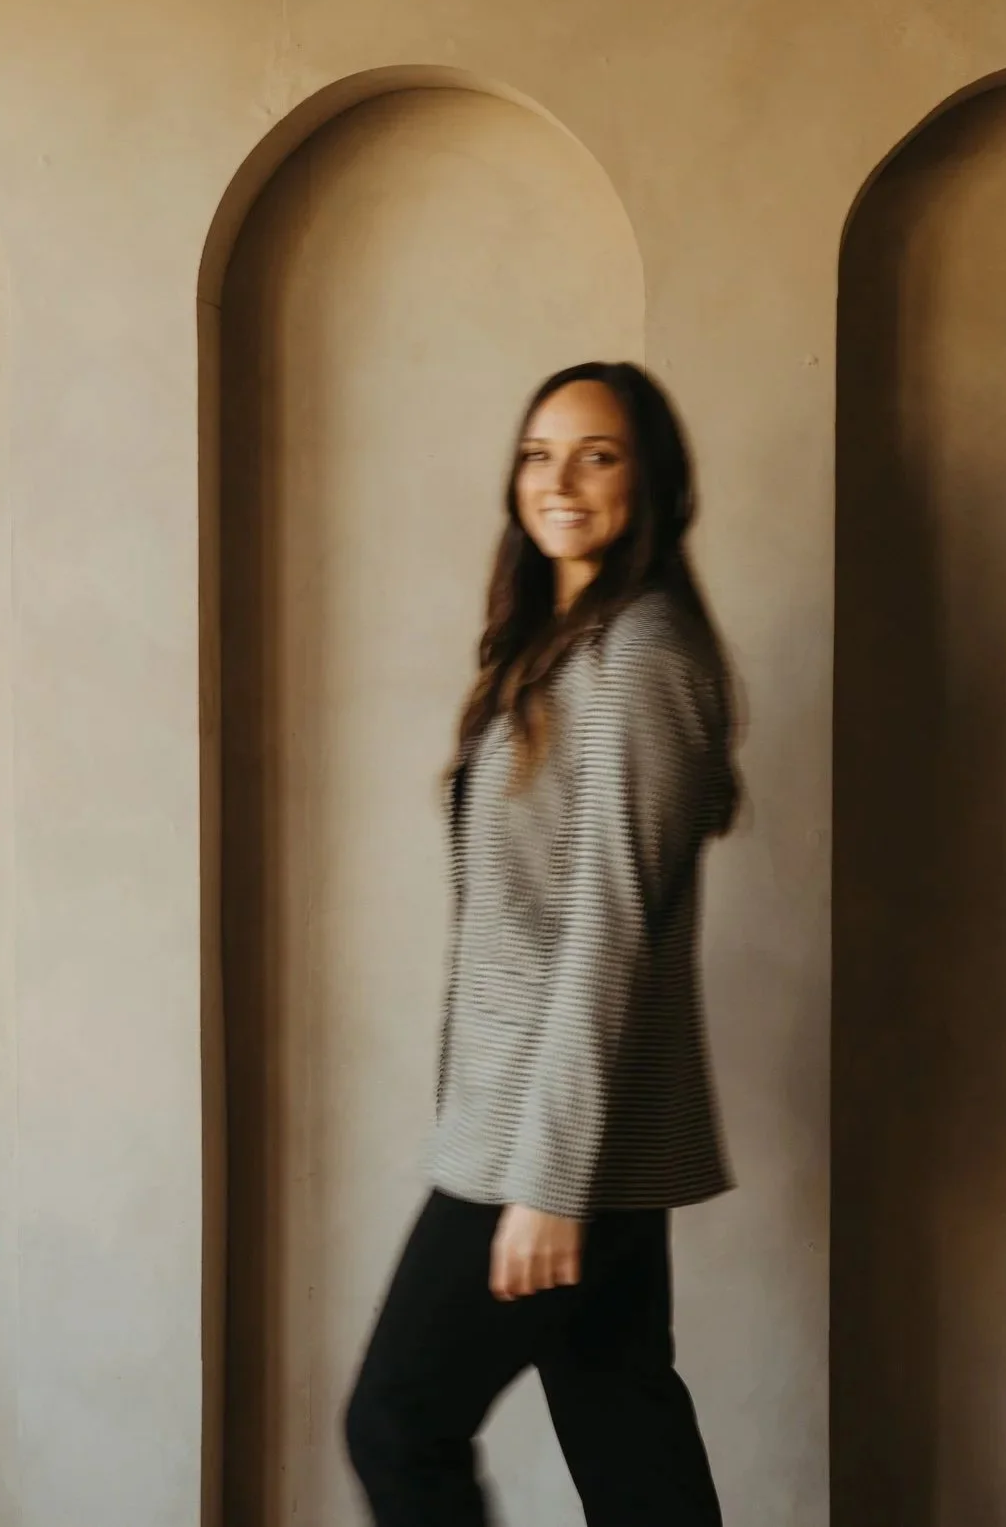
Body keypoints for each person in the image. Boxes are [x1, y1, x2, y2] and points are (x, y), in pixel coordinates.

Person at [343, 362, 740, 1526]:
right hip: (567, 1133)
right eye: (536, 452)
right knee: (628, 1440)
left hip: (548, 1139)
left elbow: (608, 934)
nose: (557, 479)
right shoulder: (567, 643)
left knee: (397, 1423)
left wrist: (548, 1182)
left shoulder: (637, 660)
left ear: (650, 478)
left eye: (597, 453)